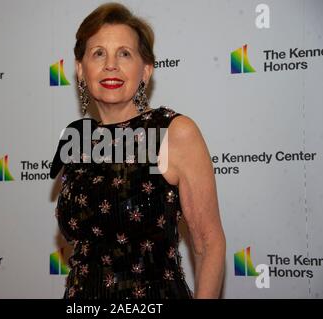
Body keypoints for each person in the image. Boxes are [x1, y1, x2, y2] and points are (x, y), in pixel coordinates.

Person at [50, 2, 226, 299]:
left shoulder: (171, 132)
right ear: (81, 70)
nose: (111, 65)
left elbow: (209, 244)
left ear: (146, 71)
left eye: (125, 53)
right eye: (98, 53)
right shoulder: (77, 139)